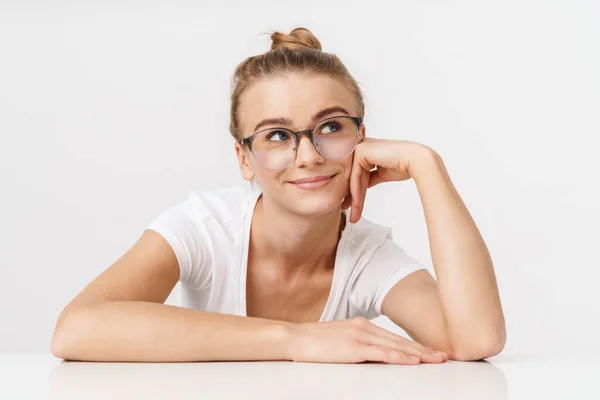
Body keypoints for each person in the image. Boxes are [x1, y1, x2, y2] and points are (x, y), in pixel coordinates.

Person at [51, 27, 506, 365]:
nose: (307, 155)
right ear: (244, 157)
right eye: (277, 135)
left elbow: (475, 340)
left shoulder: (367, 257)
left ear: (361, 140)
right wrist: (294, 339)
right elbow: (76, 329)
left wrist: (428, 166)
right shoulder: (205, 228)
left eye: (331, 127)